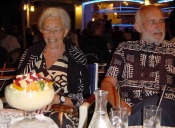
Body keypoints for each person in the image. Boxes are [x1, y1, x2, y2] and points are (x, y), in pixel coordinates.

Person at [101, 5, 175, 127]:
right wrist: (119, 104)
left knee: (155, 107)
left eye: (161, 21)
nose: (159, 26)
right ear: (138, 27)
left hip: (165, 108)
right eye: (153, 21)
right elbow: (107, 83)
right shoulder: (124, 49)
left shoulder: (172, 50)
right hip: (130, 110)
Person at [16, 7, 90, 127]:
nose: (51, 34)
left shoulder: (76, 56)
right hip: (29, 109)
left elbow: (84, 97)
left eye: (57, 29)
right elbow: (18, 85)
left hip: (62, 112)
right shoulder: (30, 54)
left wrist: (58, 99)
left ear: (65, 31)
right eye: (47, 29)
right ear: (41, 31)